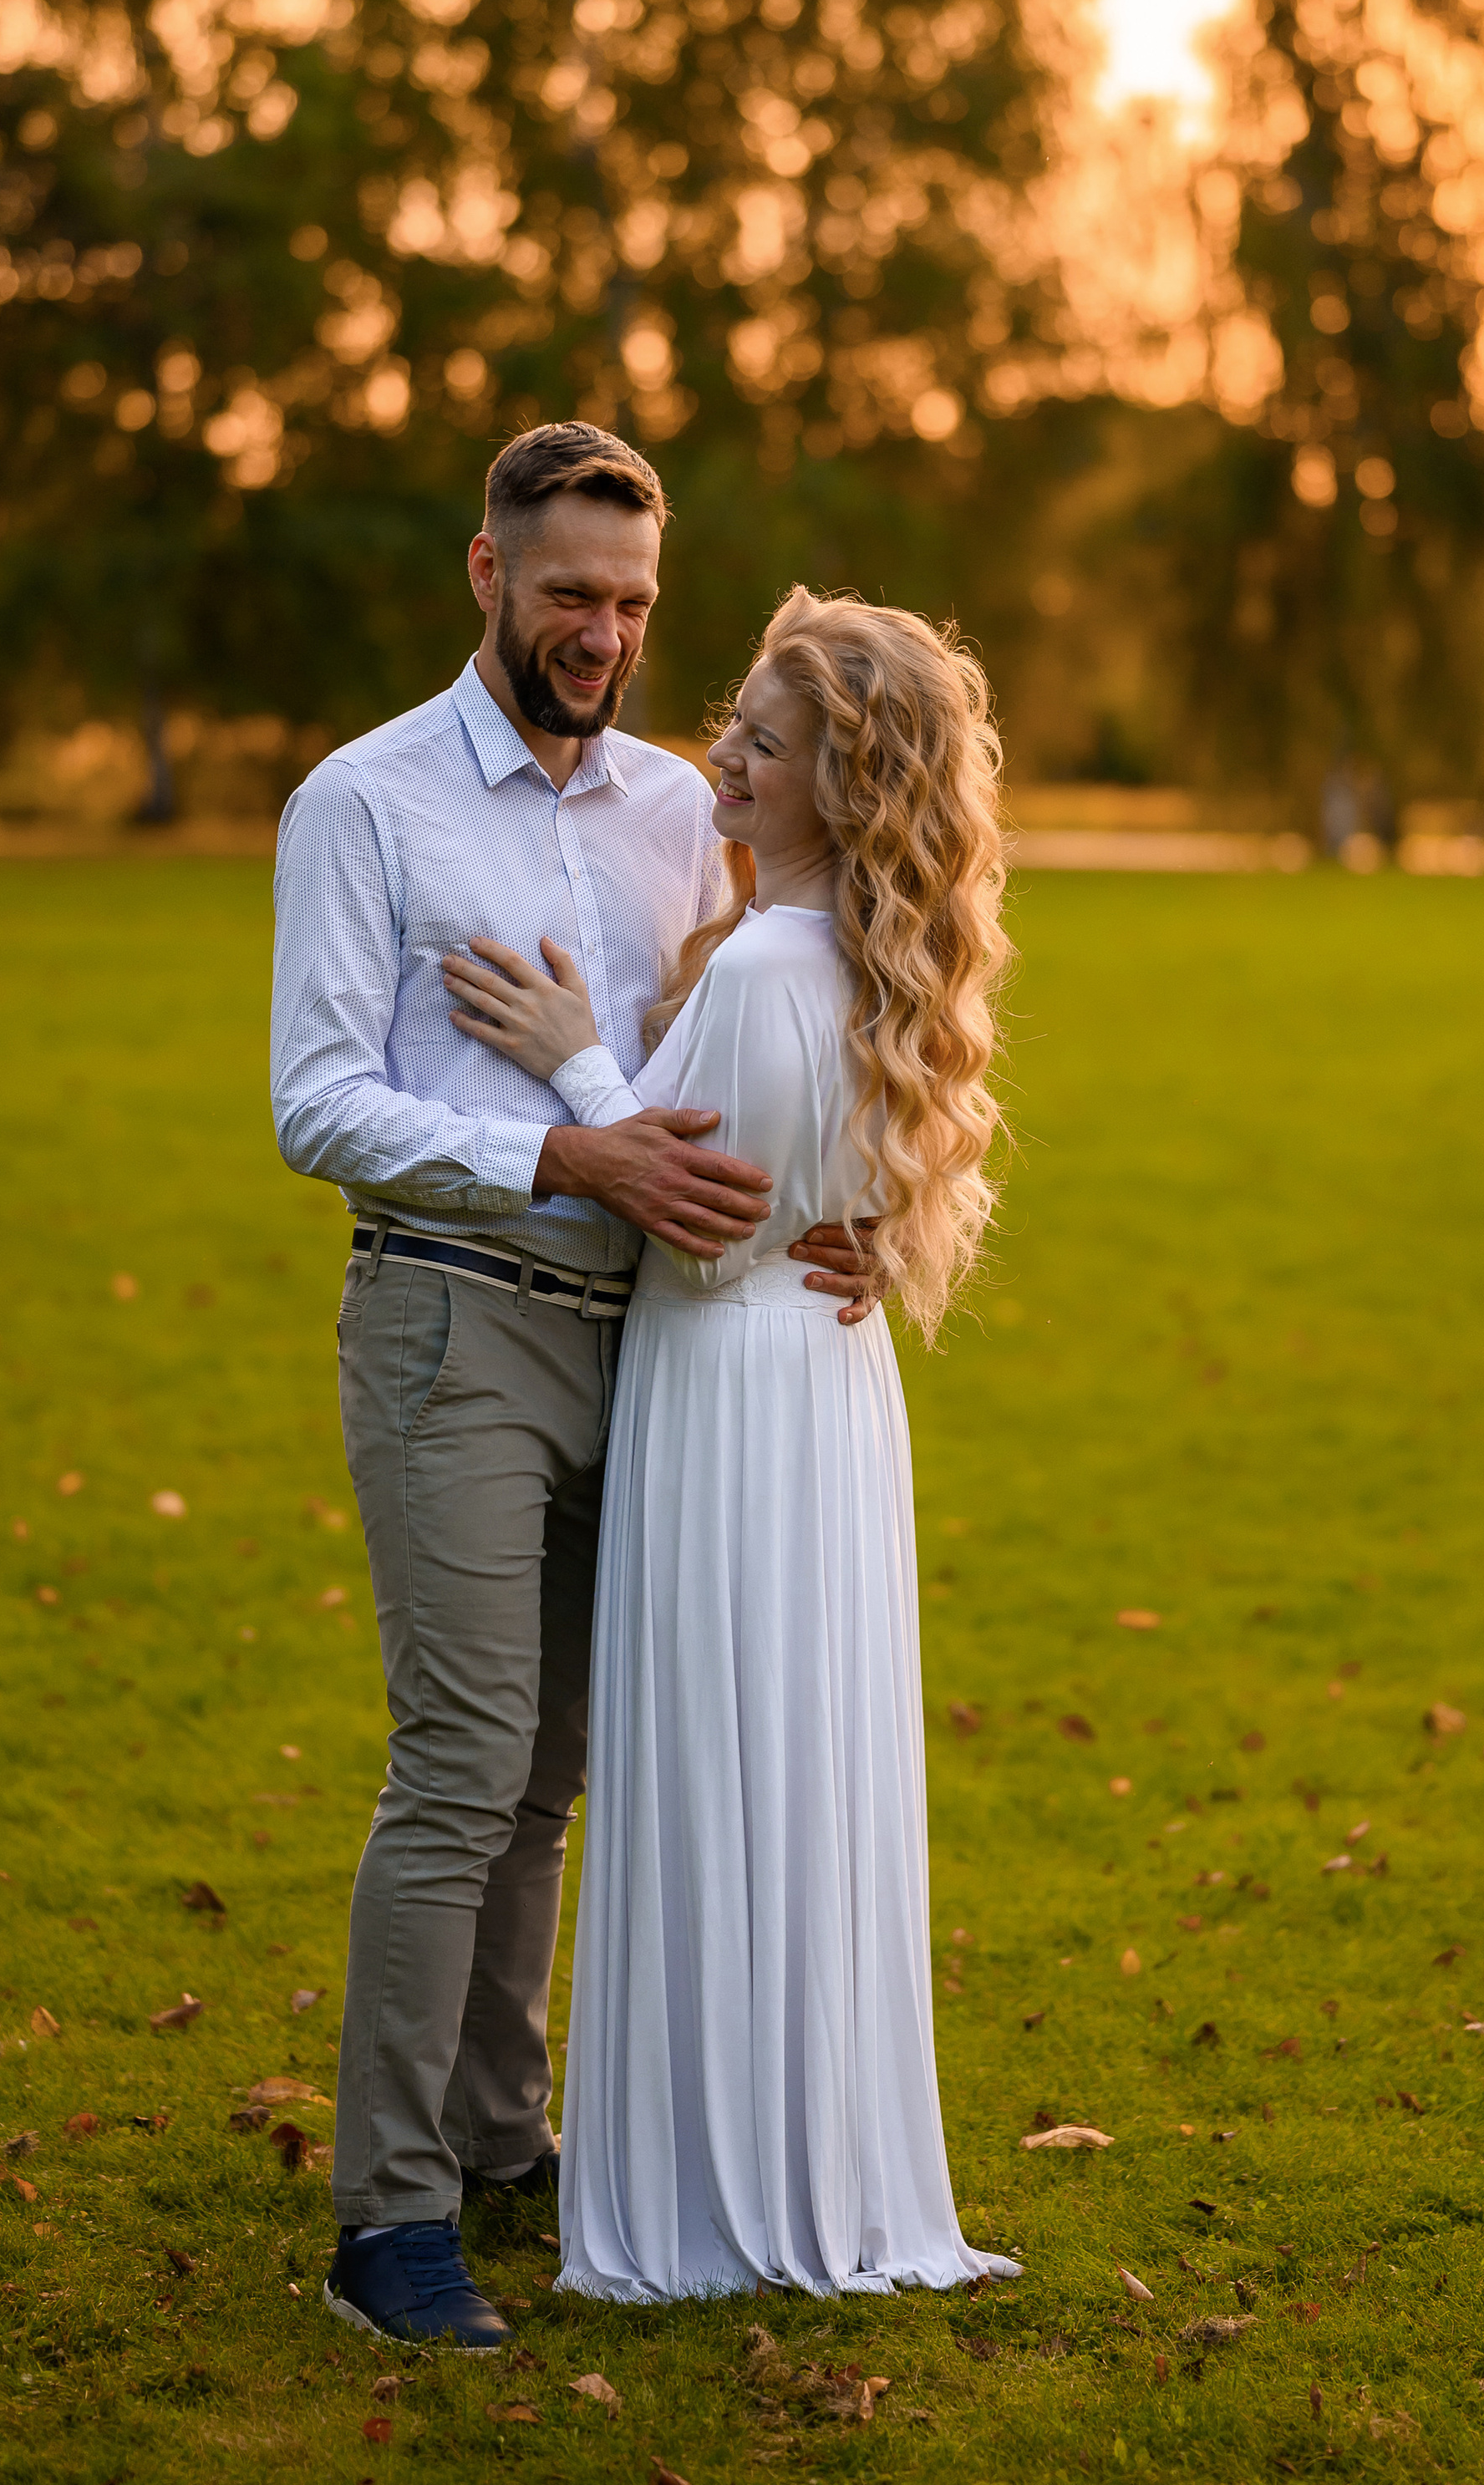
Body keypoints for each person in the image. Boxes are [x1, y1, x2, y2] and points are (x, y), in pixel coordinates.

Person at [268, 427, 874, 2353]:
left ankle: (498, 2137)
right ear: (484, 575)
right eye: (566, 597)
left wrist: (838, 1225)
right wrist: (560, 1157)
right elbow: (316, 1100)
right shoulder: (361, 802)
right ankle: (389, 2224)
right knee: (457, 1767)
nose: (601, 632)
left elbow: (785, 1023)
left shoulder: (682, 807)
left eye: (628, 600)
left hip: (660, 1343)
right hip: (453, 1319)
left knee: (549, 1782)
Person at [444, 587, 1022, 2301]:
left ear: (844, 782)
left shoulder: (774, 962)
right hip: (815, 1397)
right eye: (734, 725)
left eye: (761, 745)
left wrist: (572, 1064)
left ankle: (709, 2187)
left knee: (723, 1761)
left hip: (730, 1387)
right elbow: (820, 1198)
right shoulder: (850, 955)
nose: (722, 756)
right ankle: (779, 2147)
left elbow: (689, 1227)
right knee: (785, 1775)